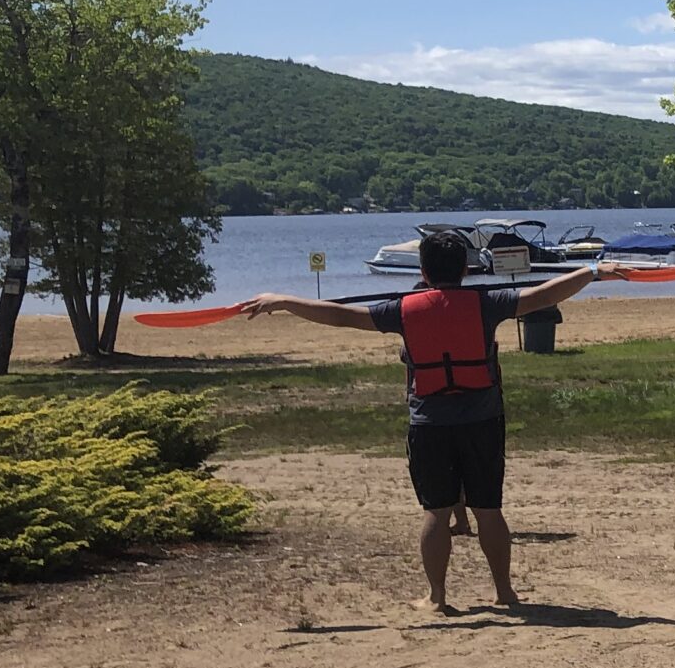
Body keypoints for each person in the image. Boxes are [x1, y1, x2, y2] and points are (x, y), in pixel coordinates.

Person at [239, 234, 623, 613]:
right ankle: (504, 592)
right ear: (465, 269)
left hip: (429, 425)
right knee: (488, 509)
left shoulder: (402, 309)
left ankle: (437, 597)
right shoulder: (486, 303)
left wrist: (285, 300)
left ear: (422, 270)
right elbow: (544, 294)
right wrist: (592, 270)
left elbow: (339, 316)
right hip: (482, 421)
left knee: (436, 512)